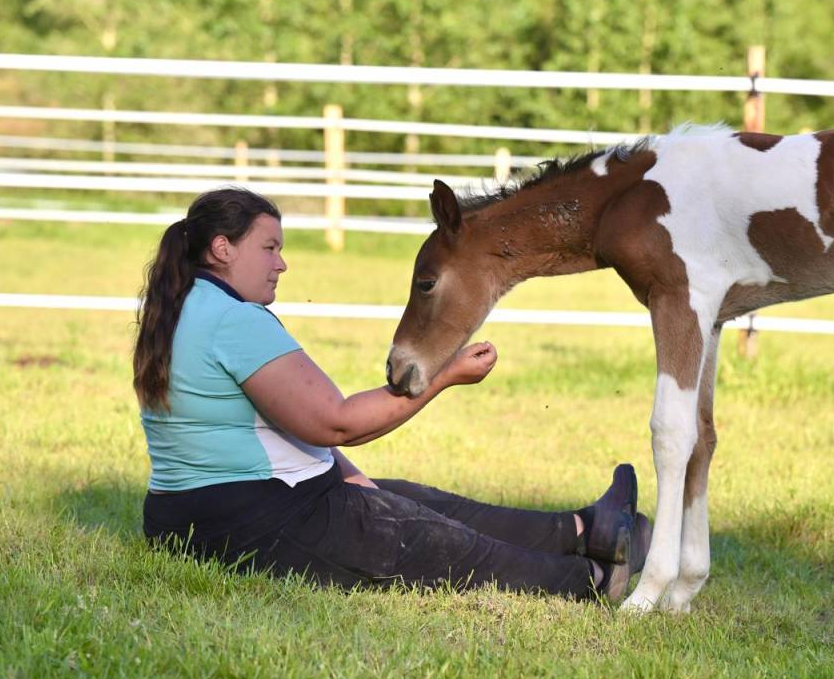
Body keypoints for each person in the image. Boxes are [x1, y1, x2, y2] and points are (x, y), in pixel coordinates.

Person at [133, 188, 650, 600]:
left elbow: (283, 423)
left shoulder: (188, 305)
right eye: (269, 248)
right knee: (436, 541)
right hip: (254, 523)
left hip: (198, 517)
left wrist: (345, 476)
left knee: (416, 500)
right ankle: (591, 581)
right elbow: (336, 422)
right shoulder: (234, 321)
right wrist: (443, 375)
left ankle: (589, 529)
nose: (281, 264)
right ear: (223, 248)